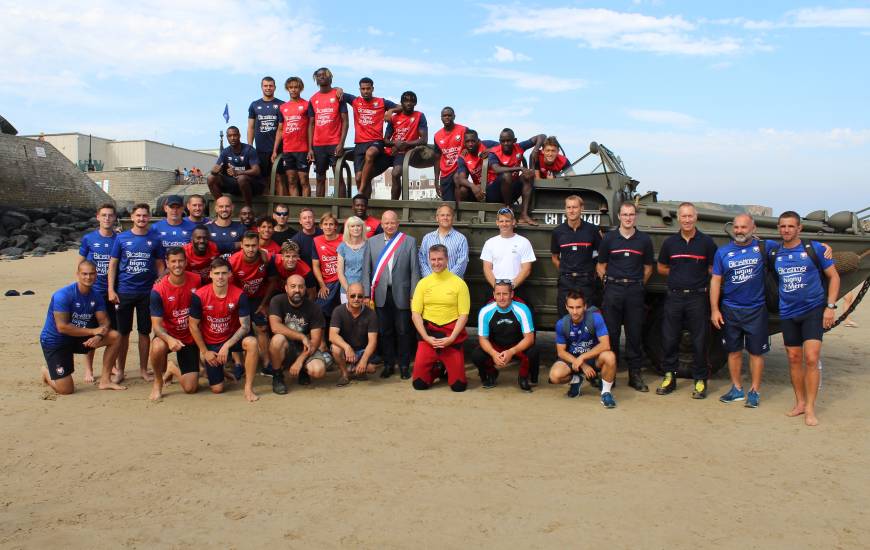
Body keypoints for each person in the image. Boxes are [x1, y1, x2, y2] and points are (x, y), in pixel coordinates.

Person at [773, 211, 840, 426]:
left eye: (791, 226)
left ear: (799, 228)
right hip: (788, 312)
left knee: (811, 358)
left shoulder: (815, 249)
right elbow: (749, 239)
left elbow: (834, 276)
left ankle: (811, 408)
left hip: (812, 310)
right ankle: (800, 403)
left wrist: (830, 307)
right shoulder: (774, 251)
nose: (786, 230)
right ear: (778, 228)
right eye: (783, 226)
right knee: (793, 359)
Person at [655, 202, 718, 399]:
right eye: (684, 216)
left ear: (696, 217)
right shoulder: (670, 243)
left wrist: (695, 276)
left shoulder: (706, 242)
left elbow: (713, 269)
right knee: (670, 338)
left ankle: (700, 380)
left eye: (690, 216)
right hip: (674, 296)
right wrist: (679, 274)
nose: (687, 220)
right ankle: (669, 376)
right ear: (678, 218)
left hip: (697, 297)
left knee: (699, 340)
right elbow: (662, 268)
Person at [39, 260, 125, 394]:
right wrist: (93, 331)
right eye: (84, 274)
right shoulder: (63, 295)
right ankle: (47, 373)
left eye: (91, 274)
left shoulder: (96, 296)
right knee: (66, 390)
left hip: (78, 337)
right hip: (56, 341)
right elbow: (62, 327)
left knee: (115, 336)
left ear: (96, 275)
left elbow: (105, 322)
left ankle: (105, 380)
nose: (88, 277)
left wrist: (99, 335)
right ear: (77, 275)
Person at [596, 201, 654, 392]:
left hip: (634, 292)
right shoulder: (609, 239)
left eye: (631, 214)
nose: (628, 218)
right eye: (625, 214)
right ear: (619, 216)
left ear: (635, 216)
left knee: (634, 334)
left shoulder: (644, 240)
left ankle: (634, 375)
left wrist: (636, 284)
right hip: (613, 290)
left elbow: (648, 268)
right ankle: (610, 376)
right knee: (610, 334)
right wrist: (609, 283)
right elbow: (601, 265)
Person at [108, 203, 166, 384]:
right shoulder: (121, 238)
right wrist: (111, 289)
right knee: (122, 333)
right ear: (132, 217)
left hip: (147, 293)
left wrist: (160, 280)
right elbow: (113, 265)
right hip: (124, 292)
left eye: (144, 216)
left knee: (144, 332)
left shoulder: (155, 239)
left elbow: (160, 265)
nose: (141, 219)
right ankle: (121, 371)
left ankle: (143, 369)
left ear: (149, 218)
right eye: (138, 216)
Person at [189, 258, 260, 402]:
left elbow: (245, 326)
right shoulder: (199, 295)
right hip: (211, 342)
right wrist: (205, 351)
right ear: (210, 275)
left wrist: (227, 346)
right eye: (217, 273)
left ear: (229, 275)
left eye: (223, 273)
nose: (220, 277)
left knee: (252, 342)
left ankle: (248, 387)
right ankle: (215, 370)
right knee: (217, 389)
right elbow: (193, 325)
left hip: (232, 339)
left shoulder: (240, 295)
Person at [363, 210, 420, 379]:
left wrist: (413, 295)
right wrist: (366, 295)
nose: (389, 226)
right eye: (386, 223)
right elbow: (366, 270)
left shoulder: (409, 241)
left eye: (392, 222)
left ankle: (404, 365)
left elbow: (414, 271)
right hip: (380, 294)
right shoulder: (371, 242)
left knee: (404, 331)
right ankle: (388, 364)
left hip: (402, 294)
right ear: (381, 224)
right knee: (384, 331)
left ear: (398, 223)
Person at [410, 244, 470, 392]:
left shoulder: (459, 284)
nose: (436, 263)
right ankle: (436, 370)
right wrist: (426, 337)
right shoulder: (423, 283)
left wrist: (452, 338)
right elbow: (415, 314)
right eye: (433, 259)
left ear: (447, 259)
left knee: (458, 387)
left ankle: (447, 367)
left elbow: (464, 314)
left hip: (451, 335)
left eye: (440, 259)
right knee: (419, 384)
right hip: (429, 335)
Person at [548, 290, 618, 408]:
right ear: (566, 307)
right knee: (554, 376)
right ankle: (576, 380)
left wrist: (583, 357)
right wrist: (581, 364)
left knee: (610, 356)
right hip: (573, 361)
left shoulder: (595, 318)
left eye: (578, 307)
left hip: (592, 358)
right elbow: (561, 352)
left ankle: (606, 393)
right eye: (571, 307)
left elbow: (605, 345)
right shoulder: (561, 324)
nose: (575, 311)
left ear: (585, 306)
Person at [148, 247, 201, 401]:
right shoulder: (158, 290)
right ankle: (158, 382)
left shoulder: (196, 280)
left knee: (190, 388)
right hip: (169, 334)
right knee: (157, 346)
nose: (177, 265)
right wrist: (169, 339)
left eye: (180, 261)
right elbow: (156, 326)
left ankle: (172, 368)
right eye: (173, 261)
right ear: (167, 263)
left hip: (190, 336)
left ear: (186, 262)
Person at [78, 202, 119, 382]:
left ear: (115, 218)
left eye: (110, 215)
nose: (107, 218)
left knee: (114, 330)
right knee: (92, 331)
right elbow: (80, 265)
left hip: (113, 292)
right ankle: (88, 369)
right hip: (93, 292)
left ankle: (112, 367)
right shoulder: (89, 239)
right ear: (98, 217)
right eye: (104, 215)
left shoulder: (119, 239)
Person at [472, 280, 537, 392]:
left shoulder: (522, 309)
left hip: (516, 346)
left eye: (505, 294)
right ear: (494, 295)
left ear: (512, 294)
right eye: (498, 294)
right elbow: (483, 339)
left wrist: (511, 351)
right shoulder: (485, 311)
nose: (501, 298)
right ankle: (491, 373)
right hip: (496, 346)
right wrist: (493, 354)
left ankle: (523, 376)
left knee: (533, 351)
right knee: (477, 355)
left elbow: (529, 338)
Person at [268, 275, 327, 393]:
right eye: (293, 286)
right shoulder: (277, 301)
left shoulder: (314, 308)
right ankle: (277, 376)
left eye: (300, 287)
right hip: (286, 347)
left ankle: (303, 371)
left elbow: (315, 341)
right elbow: (275, 327)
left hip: (305, 348)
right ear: (286, 288)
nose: (297, 290)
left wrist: (300, 361)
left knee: (318, 370)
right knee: (277, 339)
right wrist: (301, 336)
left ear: (305, 289)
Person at [340, 77, 397, 198]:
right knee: (359, 177)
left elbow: (400, 106)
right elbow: (337, 92)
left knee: (370, 154)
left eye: (368, 88)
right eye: (363, 89)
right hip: (360, 144)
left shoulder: (381, 102)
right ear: (360, 89)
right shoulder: (355, 101)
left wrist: (390, 111)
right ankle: (365, 201)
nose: (366, 91)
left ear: (372, 89)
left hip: (376, 142)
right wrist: (338, 89)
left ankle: (359, 192)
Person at [229, 231, 278, 371]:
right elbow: (230, 287)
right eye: (247, 245)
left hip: (258, 297)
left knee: (262, 328)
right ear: (242, 246)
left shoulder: (266, 259)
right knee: (236, 328)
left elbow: (273, 282)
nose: (251, 249)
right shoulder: (233, 261)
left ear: (259, 245)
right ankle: (238, 363)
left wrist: (264, 303)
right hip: (239, 298)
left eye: (254, 245)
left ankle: (267, 362)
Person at [551, 195, 601, 314]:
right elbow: (554, 257)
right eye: (568, 207)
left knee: (588, 318)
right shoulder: (558, 232)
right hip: (566, 281)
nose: (571, 210)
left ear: (581, 208)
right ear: (565, 209)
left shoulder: (592, 230)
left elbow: (602, 256)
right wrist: (566, 270)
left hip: (586, 281)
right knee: (564, 318)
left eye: (575, 207)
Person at [486, 128, 544, 226]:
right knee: (506, 175)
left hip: (510, 191)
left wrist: (536, 148)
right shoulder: (494, 153)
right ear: (500, 141)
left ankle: (524, 215)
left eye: (508, 141)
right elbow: (496, 169)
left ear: (514, 140)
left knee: (528, 175)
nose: (505, 143)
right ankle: (509, 210)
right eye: (503, 141)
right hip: (494, 193)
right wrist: (519, 168)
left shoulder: (519, 147)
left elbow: (542, 136)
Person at [306, 67, 348, 197]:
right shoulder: (313, 99)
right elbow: (311, 124)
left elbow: (345, 121)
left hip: (335, 143)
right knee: (320, 178)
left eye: (325, 75)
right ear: (316, 79)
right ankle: (320, 210)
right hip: (318, 145)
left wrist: (341, 143)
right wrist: (310, 148)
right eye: (318, 76)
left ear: (330, 77)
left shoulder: (338, 95)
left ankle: (341, 207)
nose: (322, 77)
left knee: (338, 176)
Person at [329, 282, 379, 386]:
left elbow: (373, 341)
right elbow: (332, 335)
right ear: (347, 295)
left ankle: (357, 369)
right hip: (345, 351)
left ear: (363, 297)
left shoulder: (371, 313)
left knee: (372, 368)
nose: (356, 299)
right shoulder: (338, 311)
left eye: (360, 296)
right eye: (352, 296)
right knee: (335, 348)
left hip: (362, 351)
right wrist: (347, 347)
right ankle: (345, 374)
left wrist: (364, 361)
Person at [480, 207, 536, 296]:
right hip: (495, 289)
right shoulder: (489, 243)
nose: (504, 224)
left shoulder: (524, 242)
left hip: (516, 289)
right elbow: (487, 268)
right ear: (497, 223)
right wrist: (497, 288)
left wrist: (510, 287)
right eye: (501, 221)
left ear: (513, 222)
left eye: (507, 221)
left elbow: (526, 269)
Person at [384, 91, 428, 200]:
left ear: (415, 103)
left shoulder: (419, 116)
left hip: (407, 152)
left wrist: (405, 144)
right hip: (392, 151)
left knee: (396, 173)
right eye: (406, 100)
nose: (409, 103)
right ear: (401, 102)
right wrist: (396, 143)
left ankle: (394, 203)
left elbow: (424, 139)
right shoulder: (394, 118)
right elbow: (385, 140)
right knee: (369, 163)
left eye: (411, 101)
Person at [207, 126, 262, 208]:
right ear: (227, 137)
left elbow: (256, 170)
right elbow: (218, 167)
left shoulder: (249, 149)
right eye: (230, 136)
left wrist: (238, 172)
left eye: (235, 135)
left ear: (239, 136)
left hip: (250, 185)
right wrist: (214, 171)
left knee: (241, 178)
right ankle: (222, 206)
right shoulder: (225, 152)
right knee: (210, 178)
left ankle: (248, 209)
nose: (232, 138)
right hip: (233, 184)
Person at [273, 76, 310, 197]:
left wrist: (311, 149)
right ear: (287, 89)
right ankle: (296, 209)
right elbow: (280, 129)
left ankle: (306, 208)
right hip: (288, 149)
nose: (293, 90)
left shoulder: (306, 105)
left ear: (301, 88)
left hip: (302, 150)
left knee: (304, 180)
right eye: (291, 87)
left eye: (296, 87)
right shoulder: (283, 107)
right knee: (291, 180)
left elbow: (311, 127)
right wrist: (275, 150)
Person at [248, 76, 283, 188]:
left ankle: (280, 205)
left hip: (278, 149)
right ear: (261, 87)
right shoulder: (254, 105)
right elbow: (251, 127)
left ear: (275, 87)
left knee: (279, 178)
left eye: (270, 86)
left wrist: (276, 149)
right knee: (264, 179)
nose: (268, 88)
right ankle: (268, 205)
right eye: (266, 86)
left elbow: (282, 128)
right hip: (260, 149)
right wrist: (249, 146)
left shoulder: (282, 105)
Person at [418, 203, 469, 278]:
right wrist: (431, 278)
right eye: (442, 215)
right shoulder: (427, 238)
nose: (445, 218)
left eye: (448, 215)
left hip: (452, 284)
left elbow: (462, 262)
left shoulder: (461, 239)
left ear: (453, 218)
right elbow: (421, 260)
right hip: (431, 284)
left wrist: (446, 280)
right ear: (437, 218)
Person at [311, 212, 344, 320]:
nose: (328, 227)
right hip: (327, 282)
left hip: (342, 280)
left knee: (343, 310)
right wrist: (322, 285)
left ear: (335, 226)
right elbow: (315, 265)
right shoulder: (316, 241)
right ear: (321, 226)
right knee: (319, 309)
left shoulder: (344, 239)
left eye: (331, 224)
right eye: (325, 224)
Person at [432, 107, 467, 201]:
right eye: (444, 116)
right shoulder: (437, 135)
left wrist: (467, 149)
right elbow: (437, 158)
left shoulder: (463, 130)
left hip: (459, 168)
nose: (447, 117)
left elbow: (475, 142)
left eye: (449, 115)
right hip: (445, 172)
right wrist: (436, 180)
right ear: (441, 118)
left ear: (454, 116)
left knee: (460, 192)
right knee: (448, 203)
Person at [453, 128, 497, 202]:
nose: (470, 144)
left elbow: (503, 147)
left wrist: (489, 150)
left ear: (478, 141)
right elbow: (461, 178)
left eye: (473, 141)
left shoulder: (486, 144)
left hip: (494, 184)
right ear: (464, 143)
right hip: (479, 188)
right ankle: (465, 212)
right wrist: (472, 186)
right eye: (467, 141)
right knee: (462, 189)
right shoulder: (463, 157)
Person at [337, 216, 368, 304]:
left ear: (362, 228)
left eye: (358, 226)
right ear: (348, 228)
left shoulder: (368, 245)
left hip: (364, 290)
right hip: (346, 290)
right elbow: (340, 272)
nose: (356, 228)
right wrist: (349, 290)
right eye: (352, 226)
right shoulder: (342, 246)